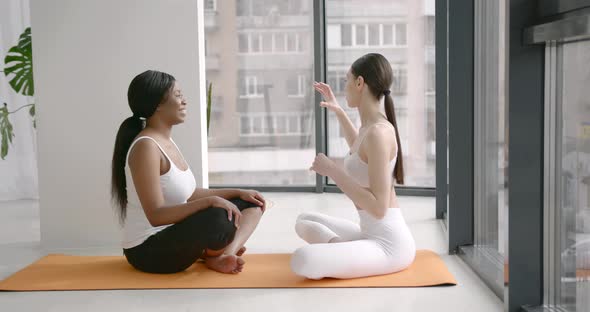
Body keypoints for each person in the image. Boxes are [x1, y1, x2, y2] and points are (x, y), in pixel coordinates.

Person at [111, 70, 265, 274]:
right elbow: (155, 215)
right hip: (148, 250)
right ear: (158, 104)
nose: (184, 101)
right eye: (177, 95)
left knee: (251, 204)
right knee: (220, 217)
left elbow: (189, 195)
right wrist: (211, 202)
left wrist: (238, 192)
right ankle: (215, 255)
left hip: (173, 236)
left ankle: (226, 254)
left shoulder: (166, 140)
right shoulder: (145, 147)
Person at [290, 53, 416, 279]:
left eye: (347, 80)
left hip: (389, 245)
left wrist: (333, 171)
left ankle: (343, 253)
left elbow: (379, 209)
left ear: (360, 83)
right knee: (304, 220)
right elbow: (358, 152)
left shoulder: (378, 132)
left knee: (302, 260)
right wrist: (338, 110)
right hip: (368, 233)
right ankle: (342, 250)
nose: (344, 86)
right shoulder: (369, 128)